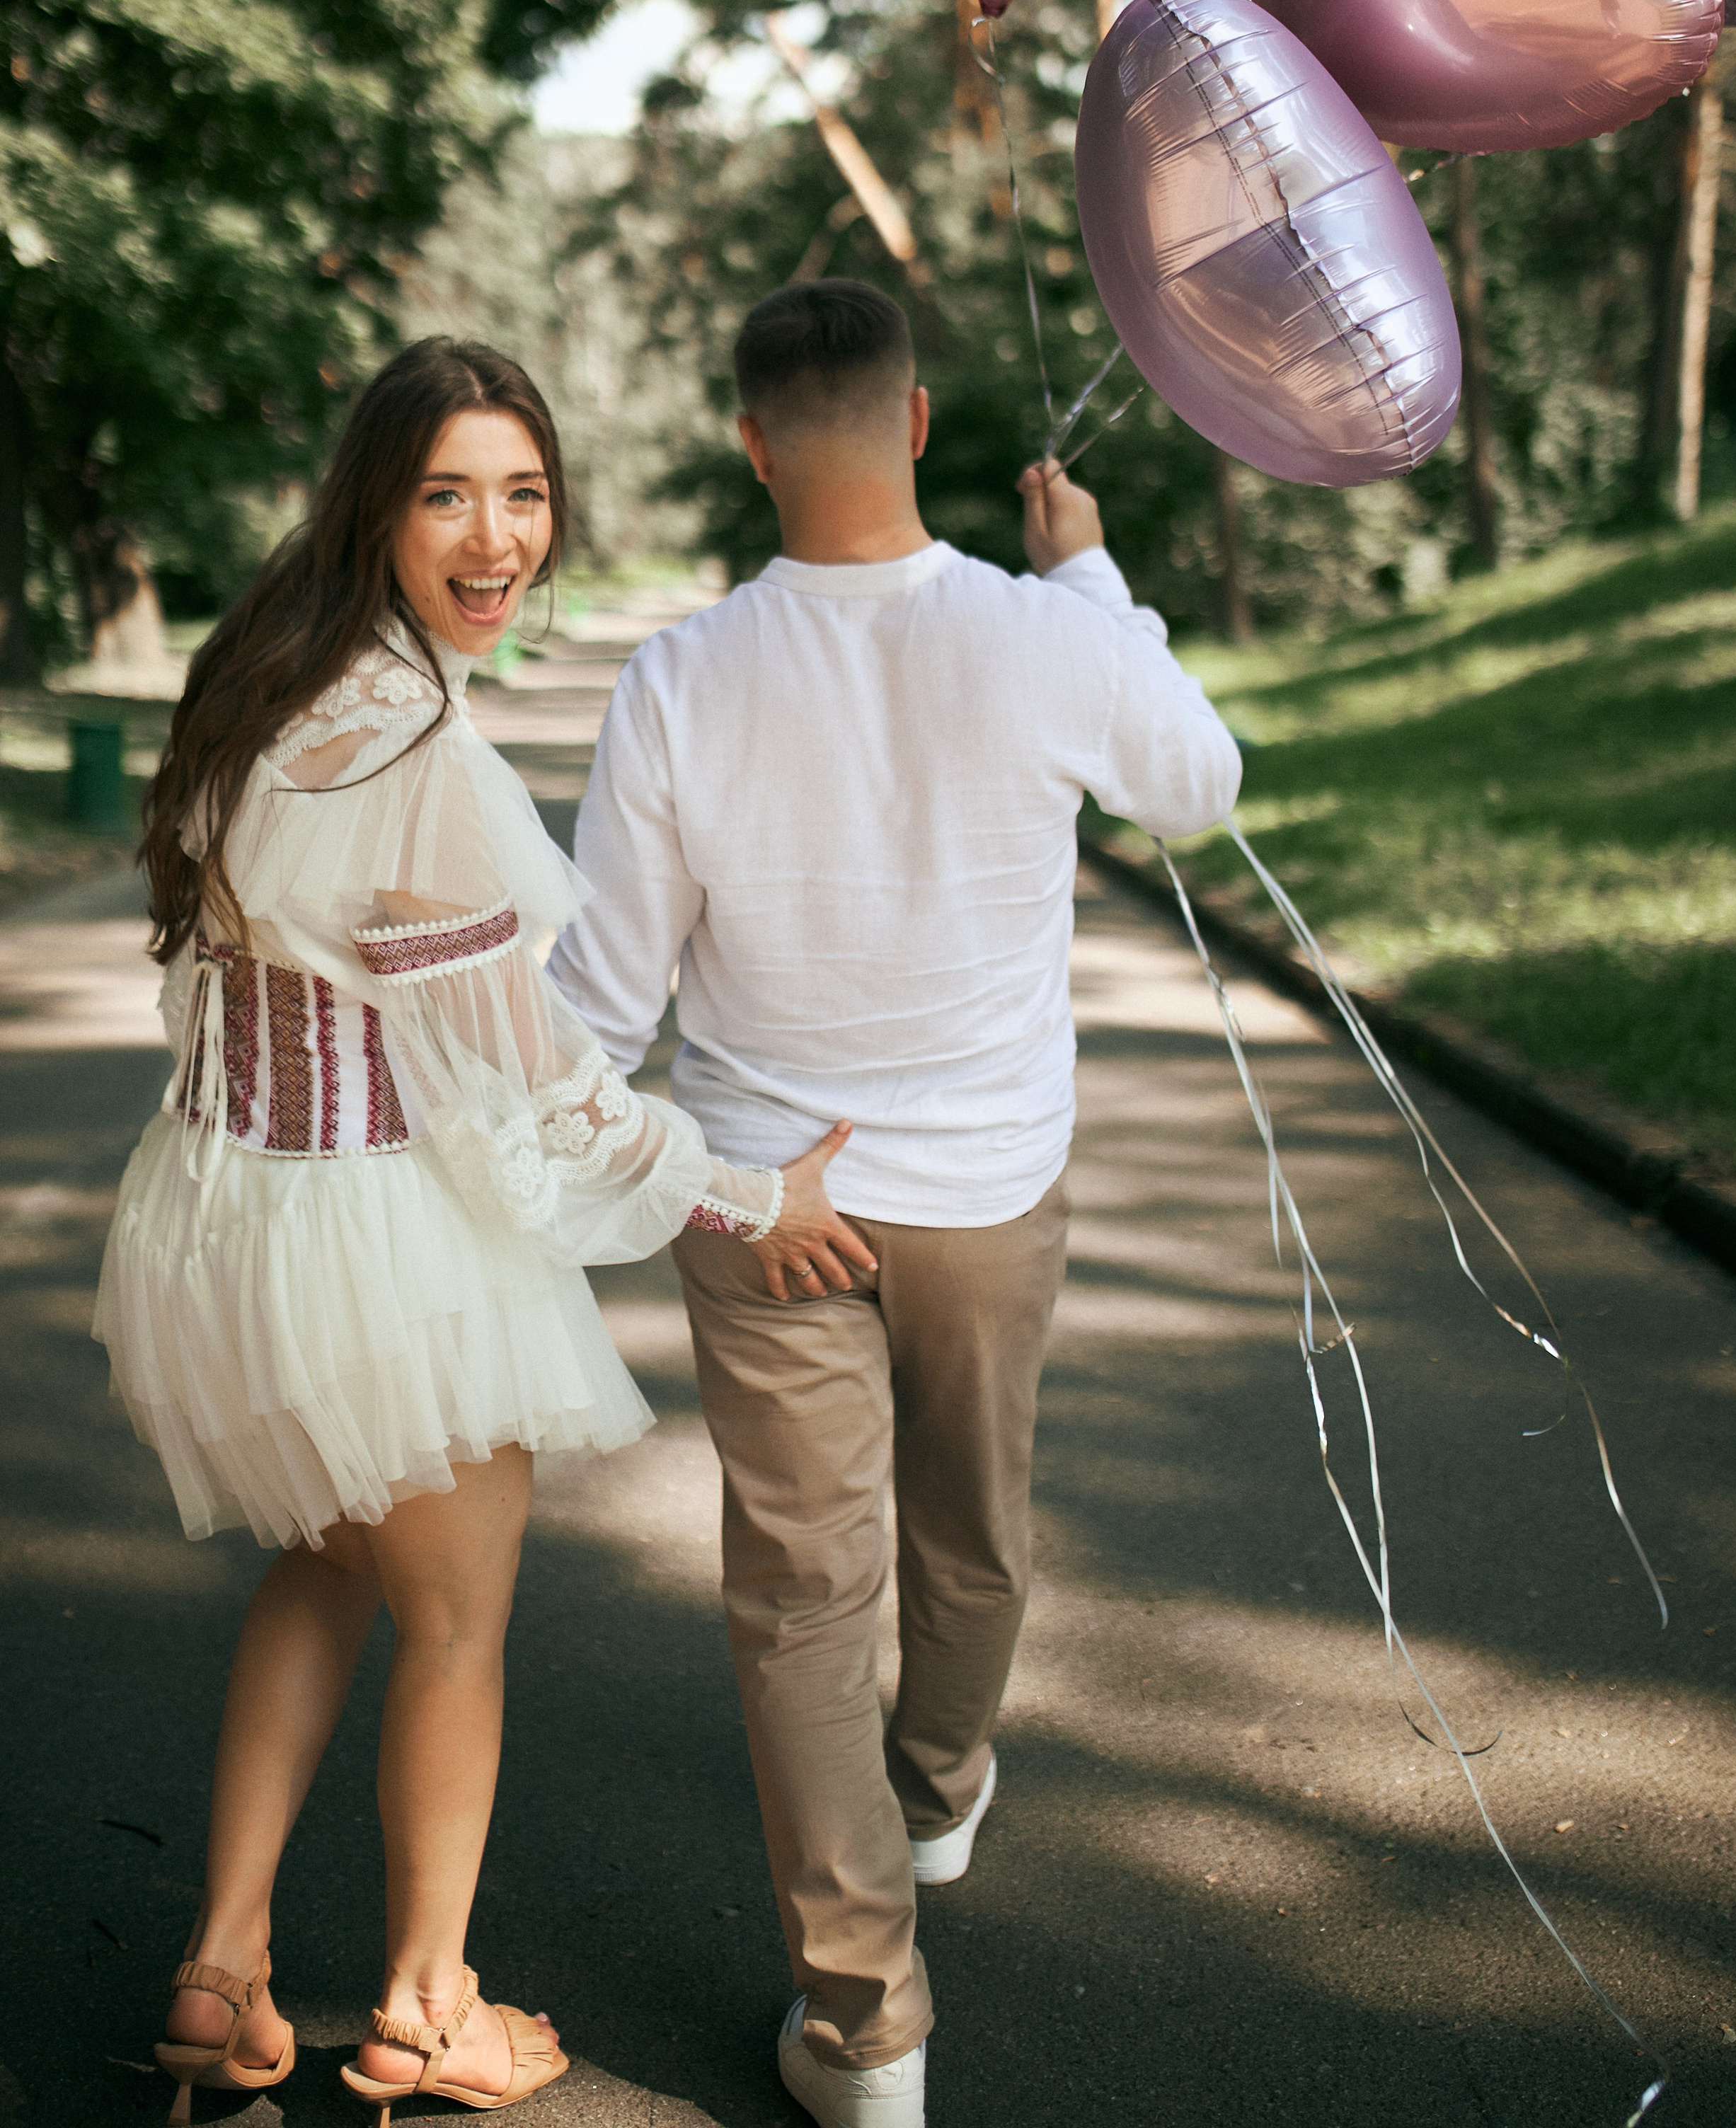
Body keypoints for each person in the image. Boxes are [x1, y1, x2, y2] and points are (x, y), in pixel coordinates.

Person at [96, 338, 851, 2127]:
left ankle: (224, 1971)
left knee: (325, 1560)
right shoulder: (418, 747)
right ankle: (429, 2011)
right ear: (377, 503)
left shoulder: (262, 675)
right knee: (450, 1621)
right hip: (362, 1233)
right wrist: (753, 1193)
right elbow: (544, 1090)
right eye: (448, 493)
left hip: (220, 1213)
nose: (495, 535)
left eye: (523, 493)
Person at [548, 279, 1242, 2128]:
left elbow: (602, 1008)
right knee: (974, 1526)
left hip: (764, 1201)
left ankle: (867, 2036)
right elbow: (1201, 782)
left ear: (753, 443)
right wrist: (1093, 582)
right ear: (919, 421)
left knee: (798, 1597)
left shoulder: (681, 680)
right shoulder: (1043, 634)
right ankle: (934, 1799)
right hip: (987, 1191)